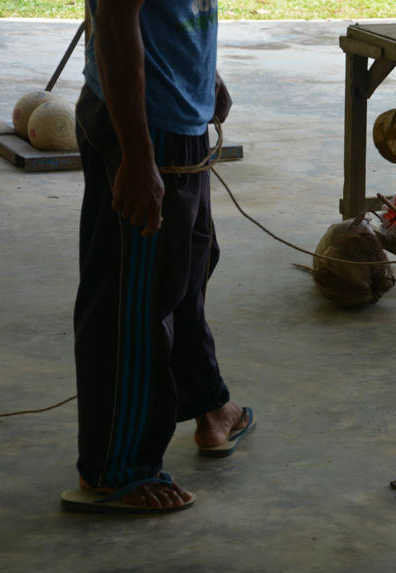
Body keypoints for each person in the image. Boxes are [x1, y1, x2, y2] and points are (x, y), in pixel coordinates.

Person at [60, 0, 255, 513]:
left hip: (177, 114)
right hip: (145, 128)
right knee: (132, 300)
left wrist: (203, 73)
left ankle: (210, 404)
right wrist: (137, 155)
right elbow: (116, 19)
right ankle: (115, 468)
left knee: (188, 269)